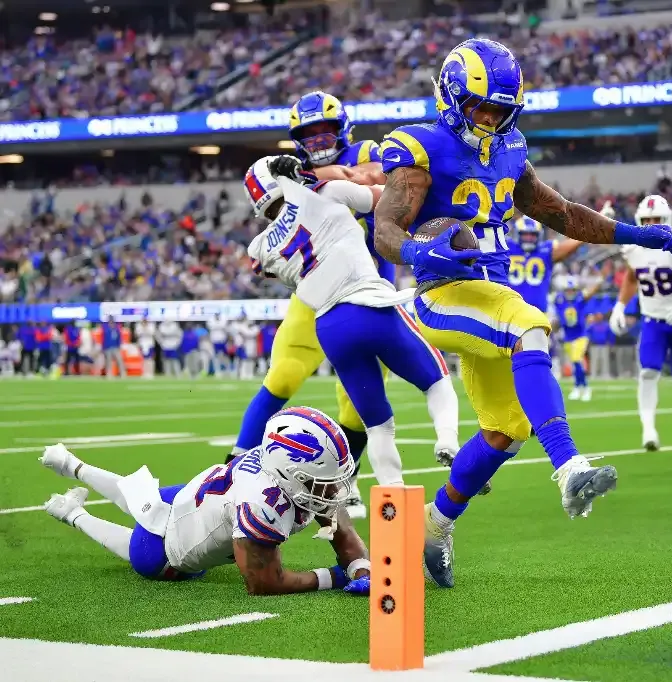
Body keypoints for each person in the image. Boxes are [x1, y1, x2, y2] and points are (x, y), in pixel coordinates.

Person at [369, 38, 672, 588]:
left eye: (500, 110)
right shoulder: (421, 149)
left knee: (506, 428)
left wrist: (636, 234)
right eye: (480, 106)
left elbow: (561, 213)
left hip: (490, 296)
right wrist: (421, 250)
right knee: (531, 325)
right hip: (445, 295)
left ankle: (437, 522)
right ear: (450, 95)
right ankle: (569, 469)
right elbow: (386, 227)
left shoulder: (510, 150)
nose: (490, 119)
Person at [232, 90, 413, 521]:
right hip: (315, 292)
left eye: (323, 131)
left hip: (370, 291)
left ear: (342, 128)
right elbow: (258, 190)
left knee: (358, 400)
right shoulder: (287, 174)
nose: (315, 141)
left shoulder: (368, 151)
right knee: (282, 376)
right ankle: (235, 463)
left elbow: (380, 177)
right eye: (307, 135)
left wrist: (322, 173)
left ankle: (342, 484)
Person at [245, 156, 460, 492]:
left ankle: (393, 493)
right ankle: (447, 441)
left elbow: (270, 263)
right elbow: (389, 202)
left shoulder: (259, 247)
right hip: (367, 303)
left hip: (330, 327)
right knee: (437, 380)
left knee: (377, 425)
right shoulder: (329, 192)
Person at [39, 407, 371, 596]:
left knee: (136, 496)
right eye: (321, 483)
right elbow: (263, 583)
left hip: (186, 496)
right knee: (136, 542)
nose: (331, 492)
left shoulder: (279, 465)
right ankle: (71, 512)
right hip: (165, 553)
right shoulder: (263, 503)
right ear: (290, 473)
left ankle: (71, 464)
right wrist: (332, 577)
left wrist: (361, 567)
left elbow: (339, 526)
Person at [610, 194, 672, 451]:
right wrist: (620, 306)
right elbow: (632, 278)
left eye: (657, 220)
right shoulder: (632, 248)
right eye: (647, 220)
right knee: (648, 372)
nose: (652, 225)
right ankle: (649, 430)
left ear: (668, 221)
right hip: (652, 320)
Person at [506, 216, 582, 313]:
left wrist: (591, 228)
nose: (529, 238)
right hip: (510, 311)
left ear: (539, 235)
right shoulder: (507, 247)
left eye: (533, 234)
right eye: (525, 234)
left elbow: (567, 247)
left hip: (537, 312)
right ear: (517, 234)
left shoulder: (546, 250)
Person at [552, 276, 601, 401]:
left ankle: (584, 387)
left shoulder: (579, 298)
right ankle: (578, 386)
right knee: (575, 362)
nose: (570, 292)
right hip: (568, 336)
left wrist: (599, 281)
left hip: (580, 335)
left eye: (572, 290)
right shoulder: (559, 300)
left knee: (576, 359)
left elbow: (589, 294)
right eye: (568, 290)